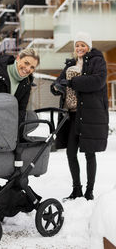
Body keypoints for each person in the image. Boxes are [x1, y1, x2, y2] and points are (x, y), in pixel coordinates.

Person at [51, 31, 109, 201]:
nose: (79, 48)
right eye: (77, 45)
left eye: (83, 45)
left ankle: (89, 191)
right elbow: (59, 81)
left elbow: (97, 81)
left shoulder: (97, 61)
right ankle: (76, 189)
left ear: (88, 47)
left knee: (89, 153)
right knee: (70, 152)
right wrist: (55, 87)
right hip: (71, 115)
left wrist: (71, 83)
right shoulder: (70, 63)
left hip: (89, 114)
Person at [0, 48, 40, 126]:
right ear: (18, 58)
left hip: (8, 128)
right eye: (26, 63)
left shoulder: (27, 83)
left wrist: (16, 133)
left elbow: (21, 111)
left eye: (32, 67)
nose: (28, 69)